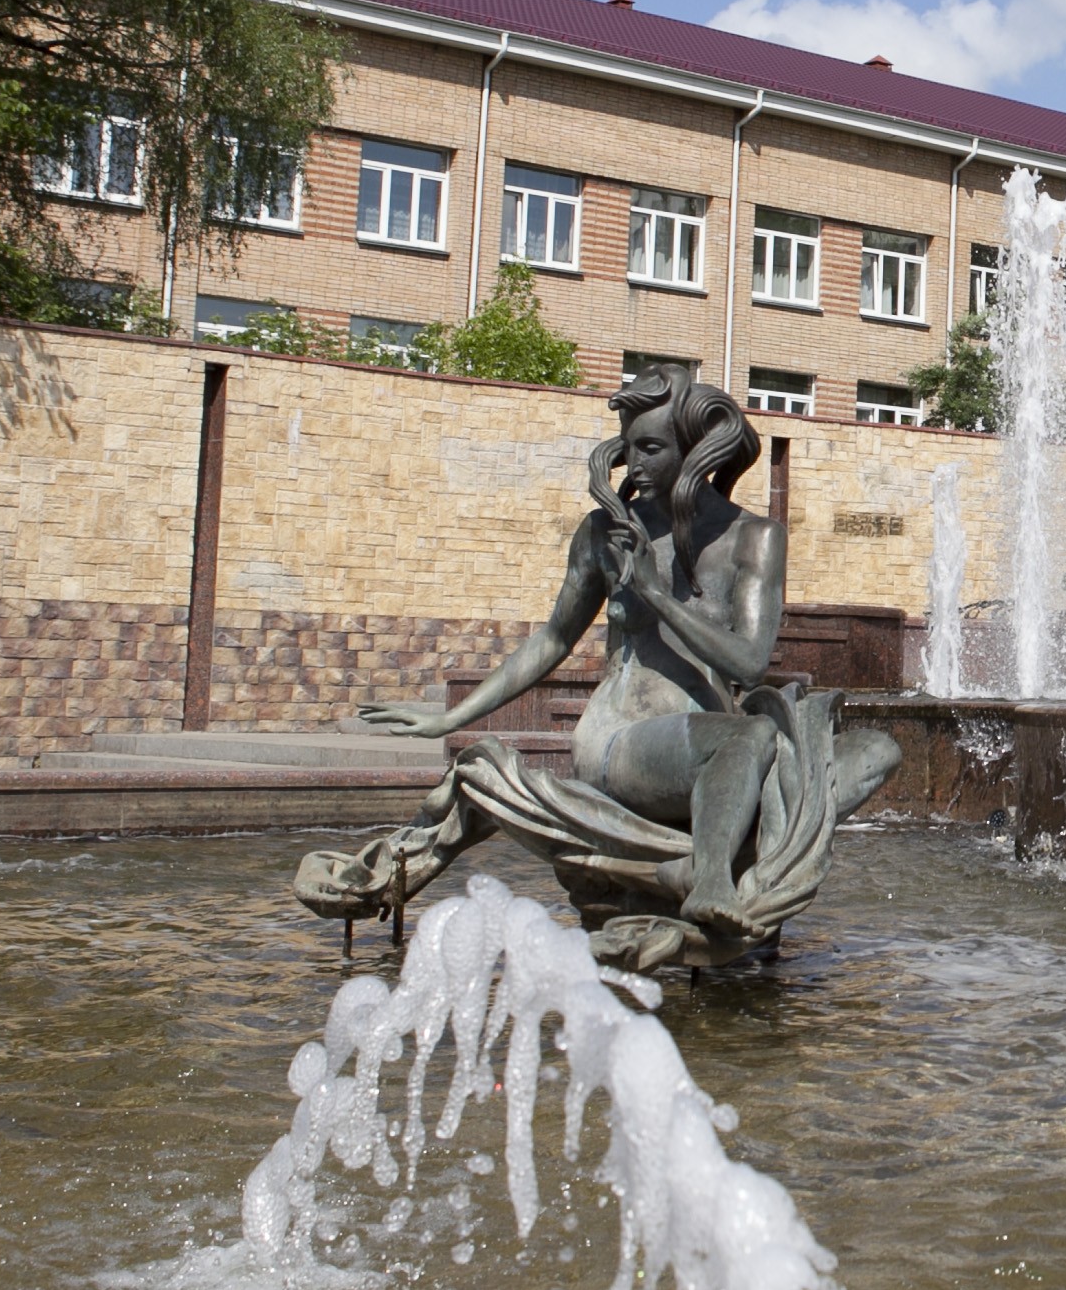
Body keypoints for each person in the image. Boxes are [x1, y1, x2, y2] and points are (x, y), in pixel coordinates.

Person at [291, 365, 898, 968]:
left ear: (697, 448)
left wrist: (657, 595)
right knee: (749, 737)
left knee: (874, 750)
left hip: (717, 743)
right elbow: (554, 638)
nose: (633, 465)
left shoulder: (754, 538)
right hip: (620, 743)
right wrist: (451, 720)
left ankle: (731, 861)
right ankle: (709, 881)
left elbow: (749, 660)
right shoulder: (606, 534)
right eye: (628, 448)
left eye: (652, 447)